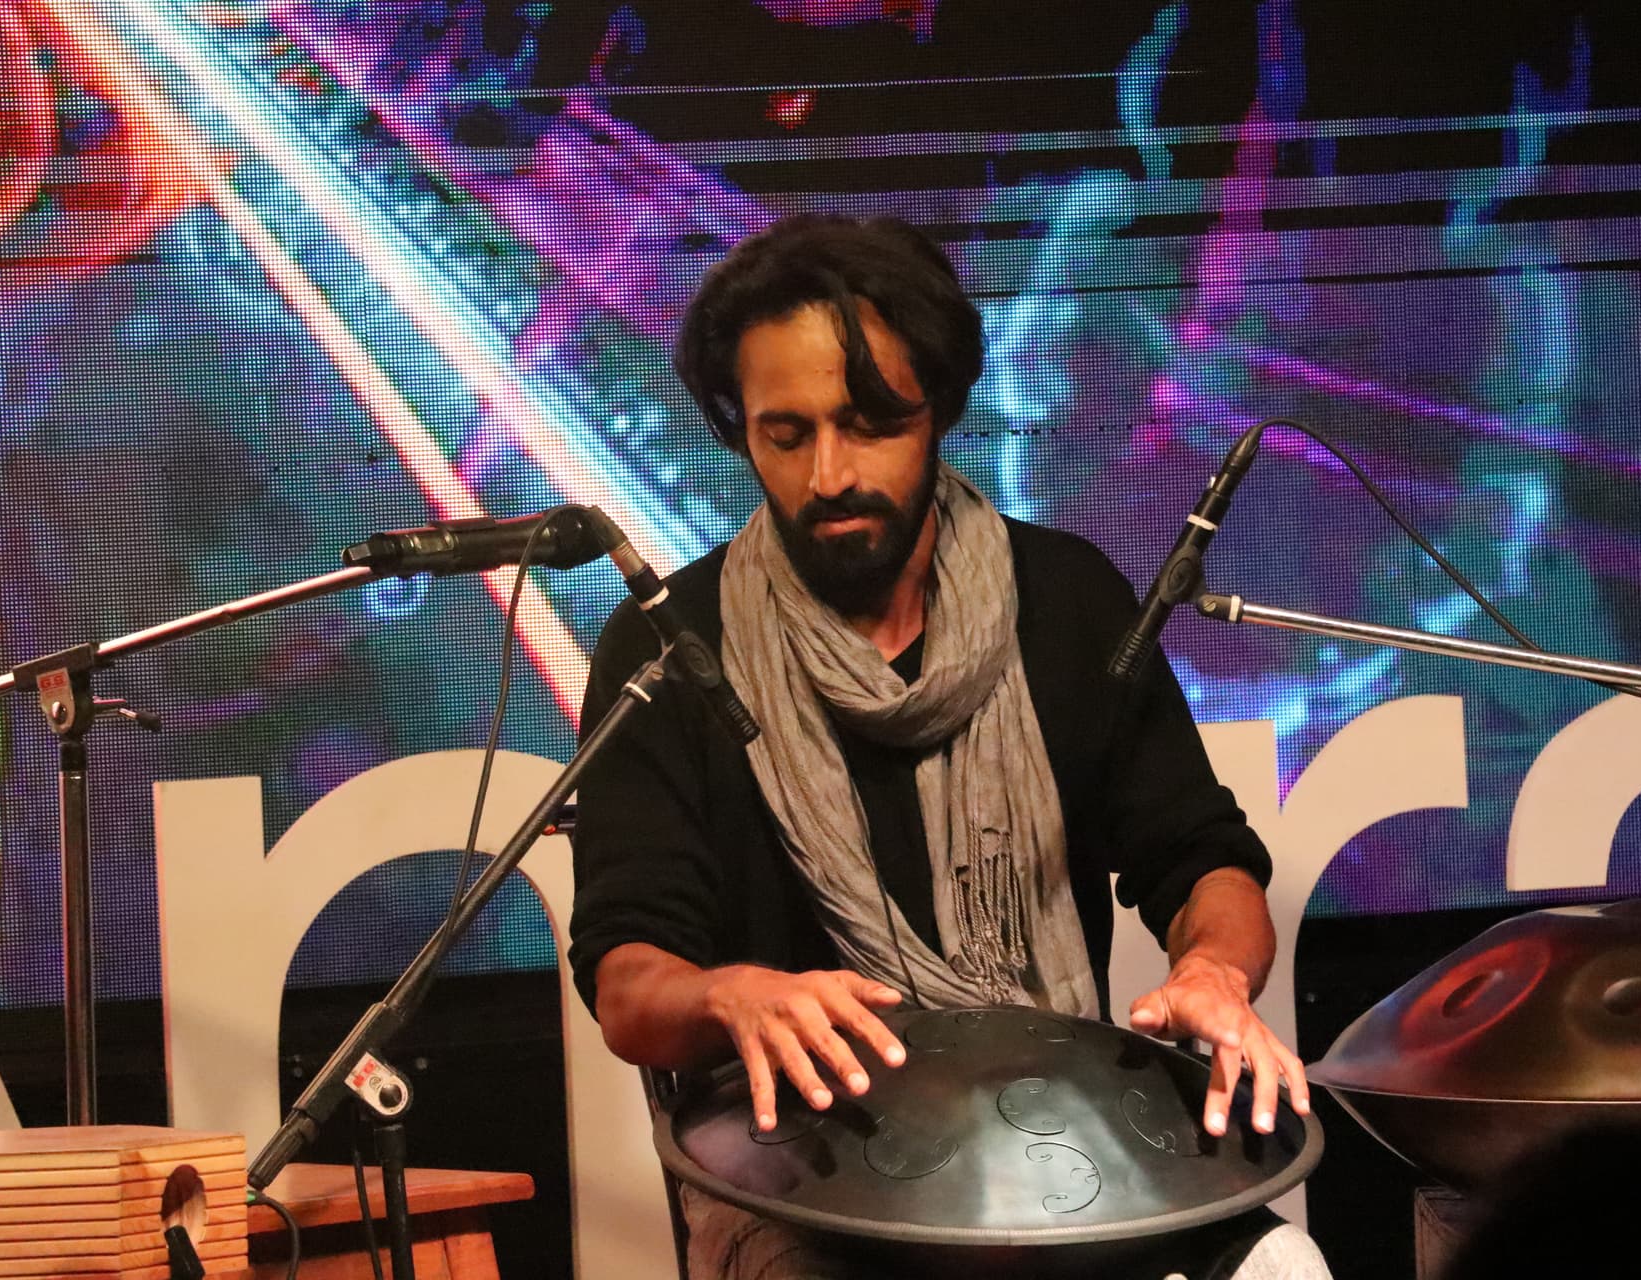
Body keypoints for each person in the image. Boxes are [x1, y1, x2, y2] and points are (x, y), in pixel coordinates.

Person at [568, 213, 1327, 1279]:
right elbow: (627, 979)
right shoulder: (670, 649)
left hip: (1063, 1148)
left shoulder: (1068, 598)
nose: (828, 474)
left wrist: (1212, 968)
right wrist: (729, 995)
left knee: (1283, 1268)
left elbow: (1203, 856)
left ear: (941, 410)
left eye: (869, 424)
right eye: (786, 435)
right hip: (807, 1178)